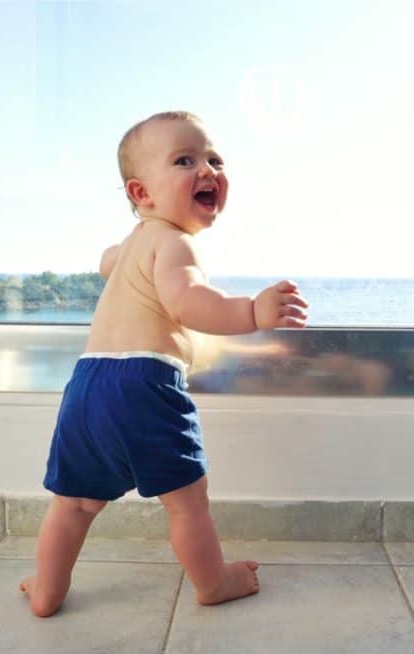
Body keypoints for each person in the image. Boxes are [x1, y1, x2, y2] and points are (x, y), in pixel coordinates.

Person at [20, 111, 309, 617]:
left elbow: (107, 261)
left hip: (87, 385)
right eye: (185, 160)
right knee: (186, 502)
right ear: (141, 193)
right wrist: (251, 312)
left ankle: (46, 590)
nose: (208, 170)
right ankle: (213, 582)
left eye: (214, 159)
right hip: (144, 384)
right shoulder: (177, 243)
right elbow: (188, 302)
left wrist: (120, 250)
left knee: (74, 504)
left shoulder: (136, 242)